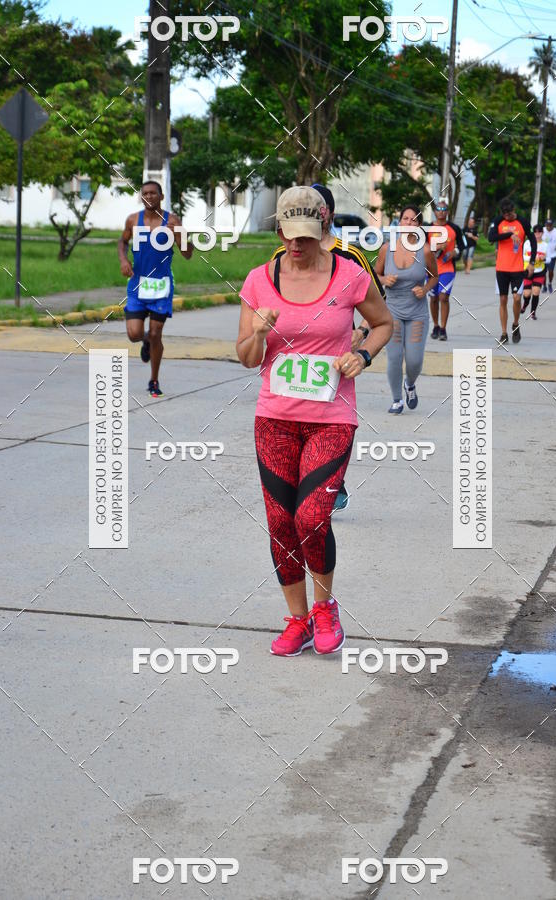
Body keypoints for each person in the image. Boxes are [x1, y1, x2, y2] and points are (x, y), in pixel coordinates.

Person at [237, 186, 392, 657]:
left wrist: (362, 355)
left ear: (324, 228)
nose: (299, 244)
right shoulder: (259, 280)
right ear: (280, 229)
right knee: (280, 522)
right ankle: (298, 620)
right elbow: (246, 358)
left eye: (309, 234)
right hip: (275, 420)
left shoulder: (349, 276)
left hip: (331, 419)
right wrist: (259, 334)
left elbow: (384, 323)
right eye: (291, 234)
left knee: (311, 516)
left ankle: (325, 608)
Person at [271, 183, 384, 513]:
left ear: (328, 215)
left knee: (332, 421)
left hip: (336, 357)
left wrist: (361, 335)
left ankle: (334, 479)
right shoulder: (282, 255)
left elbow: (378, 307)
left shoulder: (351, 256)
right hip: (294, 354)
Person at [118, 181, 193, 397]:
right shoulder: (133, 220)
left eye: (153, 193)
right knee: (134, 334)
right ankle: (145, 342)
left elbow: (188, 254)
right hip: (138, 285)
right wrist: (124, 260)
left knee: (156, 332)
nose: (149, 196)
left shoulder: (172, 220)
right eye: (145, 193)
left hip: (161, 285)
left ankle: (154, 380)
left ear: (161, 196)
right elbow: (122, 242)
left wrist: (179, 235)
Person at [374, 205, 438, 413]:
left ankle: (410, 384)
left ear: (419, 225)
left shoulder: (426, 250)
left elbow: (434, 277)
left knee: (414, 360)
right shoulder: (386, 248)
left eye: (414, 220)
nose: (409, 223)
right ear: (399, 222)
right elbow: (374, 275)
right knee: (394, 357)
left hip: (417, 312)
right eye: (405, 219)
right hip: (391, 311)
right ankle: (396, 400)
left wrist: (425, 288)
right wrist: (384, 279)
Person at [488, 198, 536, 345]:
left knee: (516, 298)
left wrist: (531, 263)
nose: (506, 217)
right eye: (504, 214)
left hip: (517, 268)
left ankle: (515, 324)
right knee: (503, 300)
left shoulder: (523, 222)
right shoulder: (498, 221)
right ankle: (503, 333)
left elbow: (533, 241)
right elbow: (491, 237)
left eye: (509, 214)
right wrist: (509, 235)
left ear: (513, 210)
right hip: (501, 268)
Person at [427, 197, 466, 341]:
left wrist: (454, 252)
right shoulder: (428, 228)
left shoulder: (454, 228)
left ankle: (443, 328)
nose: (441, 212)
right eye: (439, 209)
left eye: (444, 210)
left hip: (447, 268)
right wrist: (436, 247)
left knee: (443, 297)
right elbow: (421, 248)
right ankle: (436, 326)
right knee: (433, 298)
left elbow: (463, 245)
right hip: (431, 269)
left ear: (448, 212)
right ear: (435, 212)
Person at [521, 224, 547, 321]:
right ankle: (525, 304)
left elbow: (547, 258)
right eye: (535, 232)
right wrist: (533, 258)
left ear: (542, 233)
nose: (537, 234)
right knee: (527, 294)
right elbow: (522, 256)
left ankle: (533, 312)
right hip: (528, 270)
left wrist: (543, 258)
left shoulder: (545, 245)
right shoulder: (527, 243)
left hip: (539, 271)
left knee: (536, 292)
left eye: (539, 232)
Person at [542, 219, 556, 293]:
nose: (548, 227)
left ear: (552, 225)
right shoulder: (542, 230)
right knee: (543, 272)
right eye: (547, 225)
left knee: (551, 271)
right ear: (545, 225)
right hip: (543, 255)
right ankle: (544, 286)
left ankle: (550, 284)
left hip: (552, 255)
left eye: (550, 225)